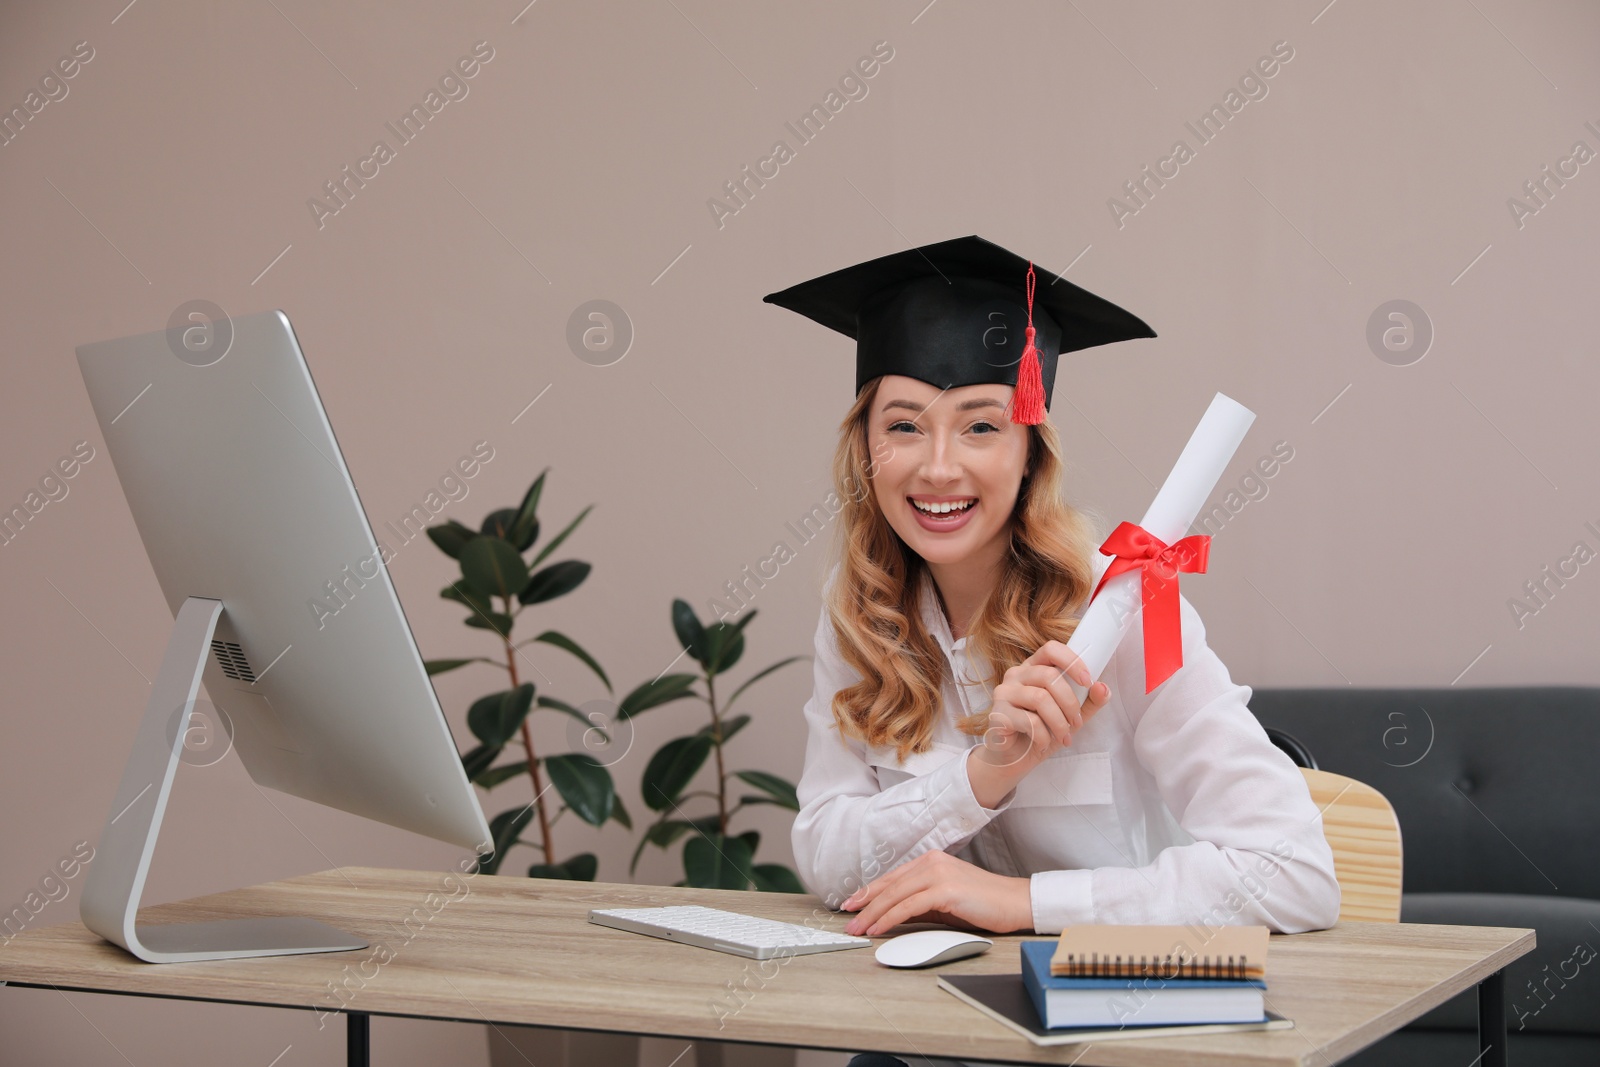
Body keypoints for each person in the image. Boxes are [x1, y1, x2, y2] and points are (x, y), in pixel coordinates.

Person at [763, 234, 1340, 968]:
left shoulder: (1127, 610)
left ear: (1031, 451)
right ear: (865, 451)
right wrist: (984, 776)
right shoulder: (861, 618)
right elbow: (828, 861)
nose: (939, 467)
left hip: (1122, 1018)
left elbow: (1295, 874)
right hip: (931, 1018)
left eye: (981, 426)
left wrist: (1025, 903)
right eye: (903, 425)